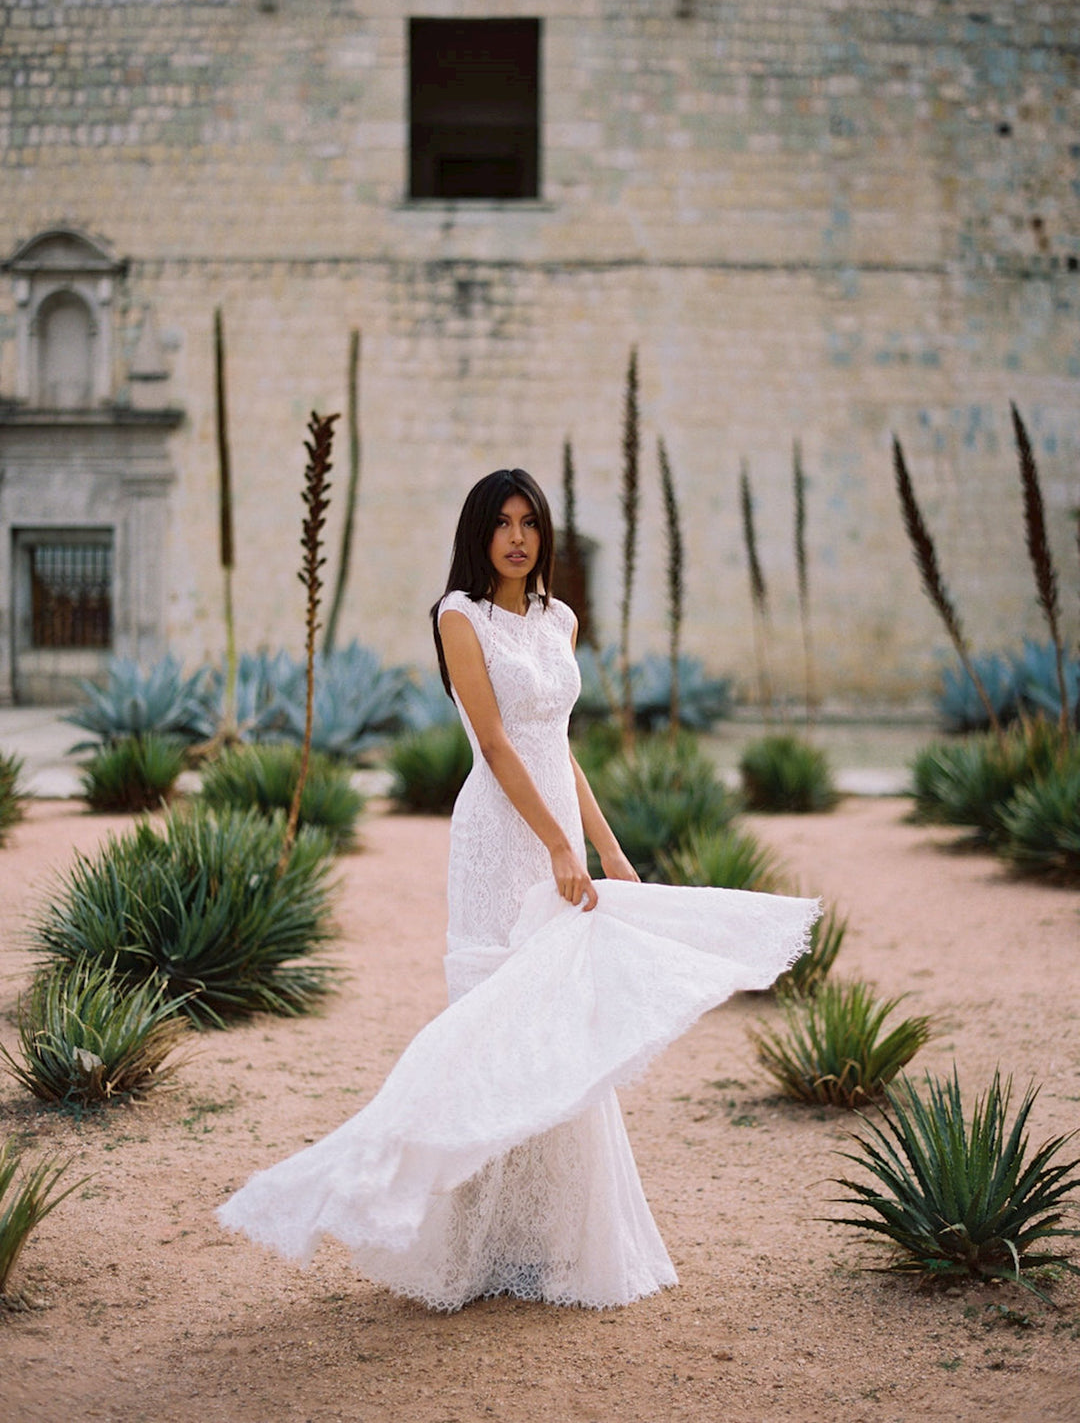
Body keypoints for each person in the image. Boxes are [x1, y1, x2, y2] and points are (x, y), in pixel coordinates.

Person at [218, 468, 819, 1312]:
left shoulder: (560, 619)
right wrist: (551, 846)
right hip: (499, 841)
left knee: (560, 1032)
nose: (517, 536)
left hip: (559, 839)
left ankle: (546, 1243)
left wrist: (605, 849)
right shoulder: (458, 616)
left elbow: (557, 747)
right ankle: (464, 1245)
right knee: (496, 1027)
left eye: (529, 522)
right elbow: (498, 746)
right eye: (501, 522)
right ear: (478, 533)